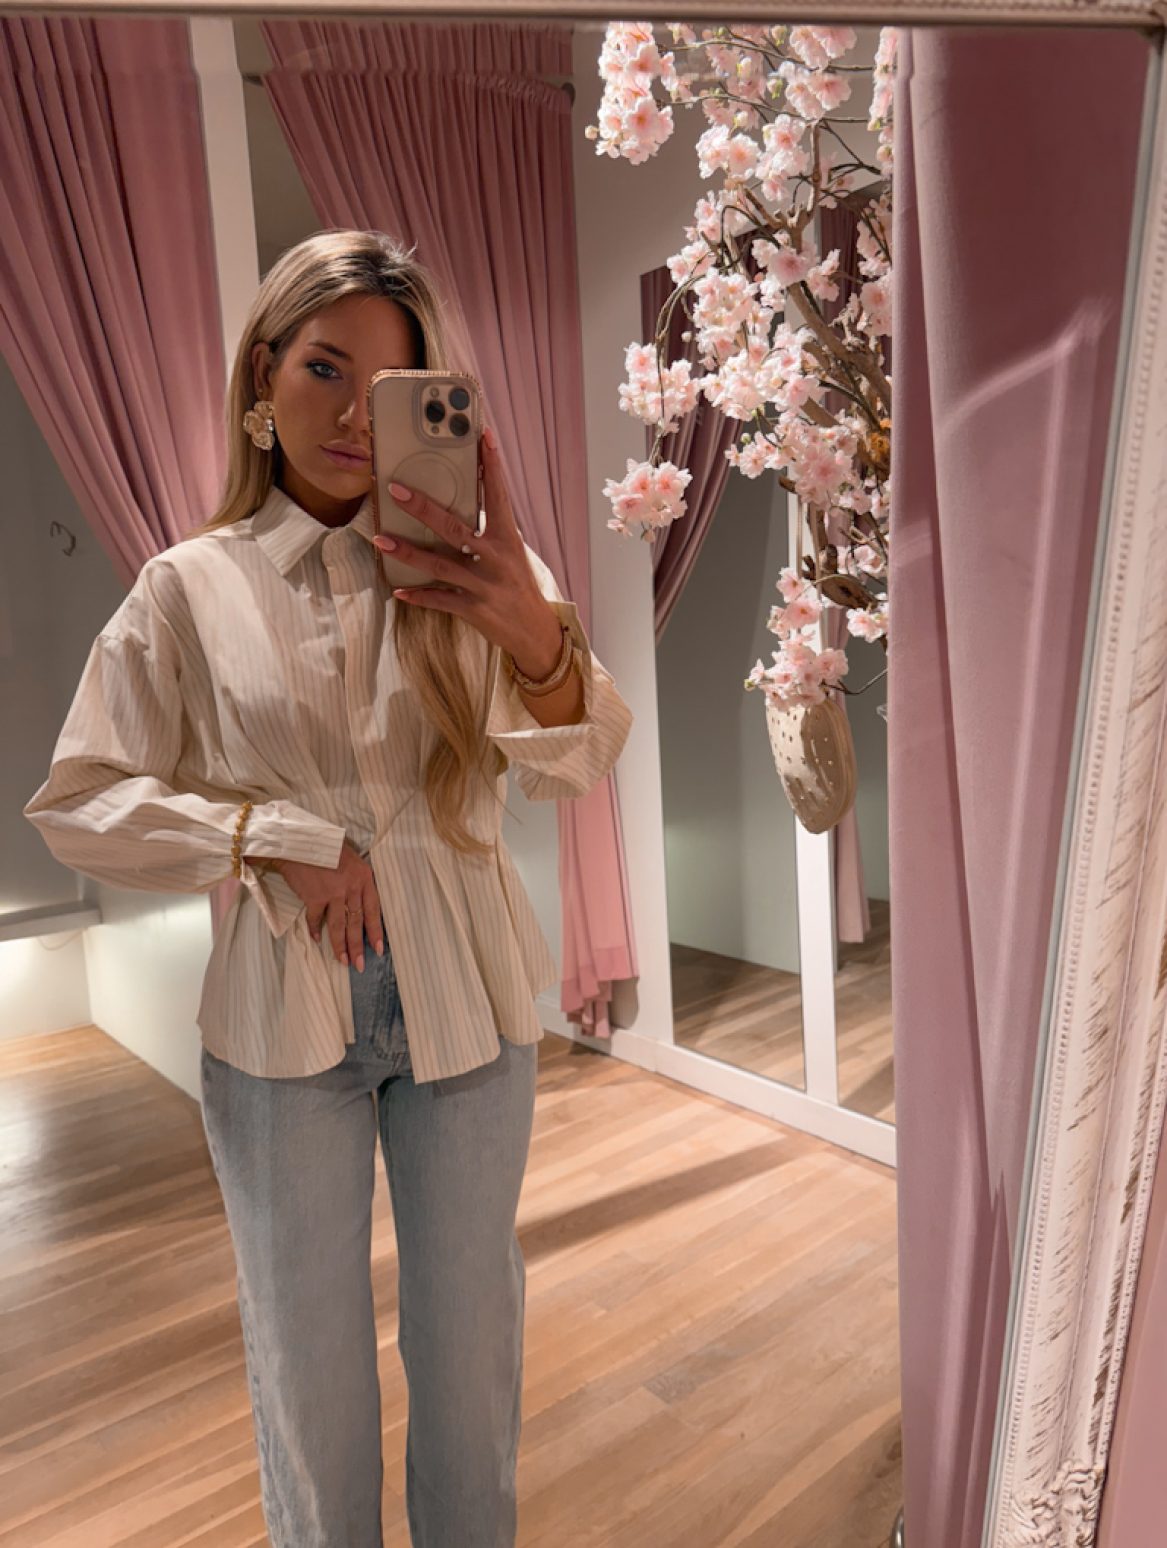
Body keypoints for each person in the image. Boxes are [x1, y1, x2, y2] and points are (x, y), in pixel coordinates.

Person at [23, 228, 634, 1548]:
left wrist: (532, 632)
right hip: (280, 1022)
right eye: (324, 369)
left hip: (469, 1007)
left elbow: (580, 762)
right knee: (307, 1375)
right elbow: (78, 800)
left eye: (395, 386)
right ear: (262, 379)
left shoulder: (485, 569)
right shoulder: (189, 589)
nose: (358, 415)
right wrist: (266, 836)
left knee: (470, 1358)